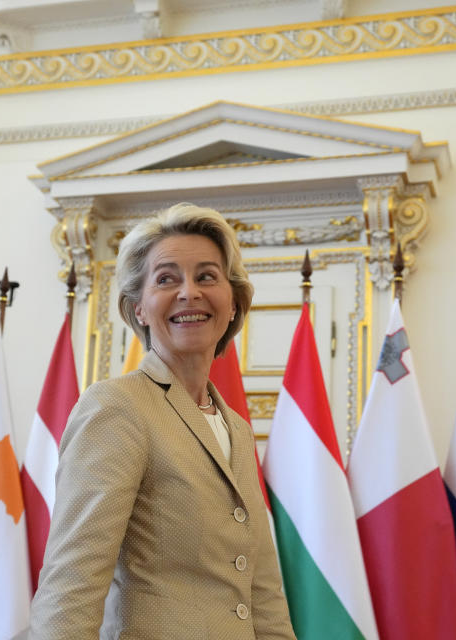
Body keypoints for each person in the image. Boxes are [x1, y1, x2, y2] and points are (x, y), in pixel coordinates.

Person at [28, 203, 295, 640]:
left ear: (233, 305)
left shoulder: (238, 430)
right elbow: (71, 585)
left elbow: (262, 591)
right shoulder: (116, 407)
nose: (189, 292)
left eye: (207, 276)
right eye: (167, 279)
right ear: (138, 310)